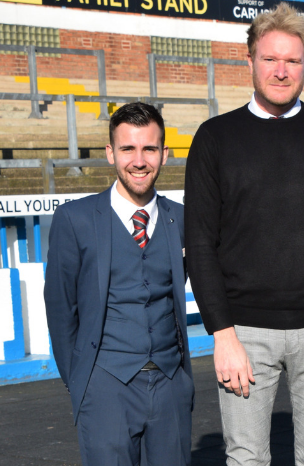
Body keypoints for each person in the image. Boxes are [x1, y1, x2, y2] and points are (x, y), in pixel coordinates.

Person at [184, 2, 304, 466]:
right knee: (246, 458)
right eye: (270, 58)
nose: (281, 70)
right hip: (244, 333)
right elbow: (201, 245)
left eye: (292, 60)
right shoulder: (214, 138)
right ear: (249, 61)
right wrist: (222, 335)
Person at [44, 102, 193, 466]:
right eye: (128, 148)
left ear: (165, 154)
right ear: (111, 153)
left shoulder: (183, 218)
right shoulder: (74, 219)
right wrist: (84, 382)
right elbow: (61, 310)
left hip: (170, 382)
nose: (139, 160)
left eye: (149, 149)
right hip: (105, 387)